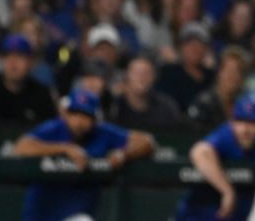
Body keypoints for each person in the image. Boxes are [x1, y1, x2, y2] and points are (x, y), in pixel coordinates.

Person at [13, 88, 156, 221]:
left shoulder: (102, 133)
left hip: (76, 215)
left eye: (86, 116)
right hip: (41, 215)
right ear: (66, 114)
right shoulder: (55, 128)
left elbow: (147, 142)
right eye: (75, 114)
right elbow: (21, 148)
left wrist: (123, 154)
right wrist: (64, 149)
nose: (79, 121)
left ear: (95, 119)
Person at [0, 34, 57, 123]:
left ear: (31, 61)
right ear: (0, 60)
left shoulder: (41, 94)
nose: (13, 63)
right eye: (7, 56)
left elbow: (51, 129)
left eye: (19, 56)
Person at [110, 56, 183, 129]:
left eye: (146, 73)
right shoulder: (114, 104)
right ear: (127, 75)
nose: (141, 78)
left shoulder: (166, 106)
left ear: (154, 77)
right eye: (136, 73)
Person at [188, 46, 250, 127]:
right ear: (219, 73)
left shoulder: (246, 105)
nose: (233, 76)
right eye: (229, 70)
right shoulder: (204, 104)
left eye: (238, 72)